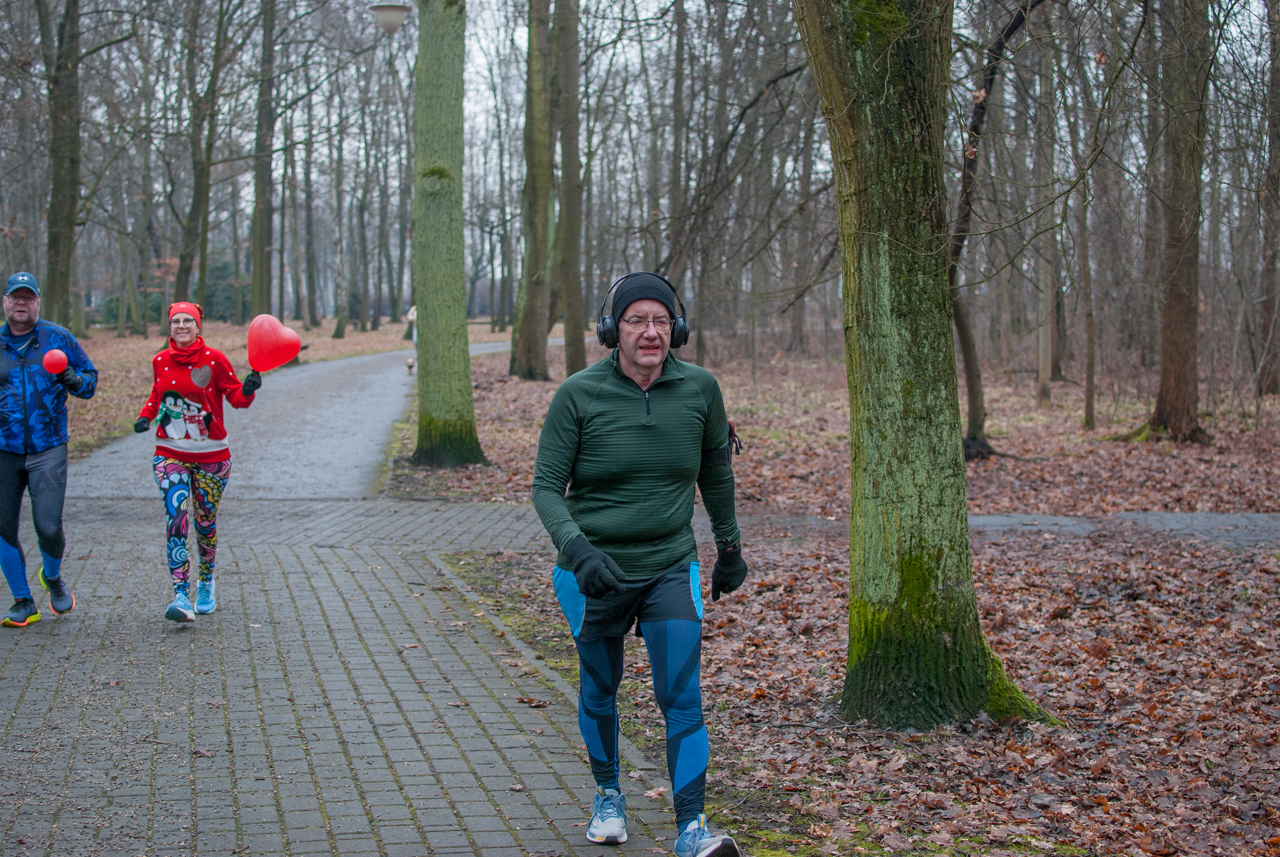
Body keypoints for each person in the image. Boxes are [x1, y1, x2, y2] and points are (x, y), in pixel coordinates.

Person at [532, 272, 748, 857]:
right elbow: (547, 487)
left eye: (660, 321)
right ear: (612, 330)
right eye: (635, 321)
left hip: (669, 568)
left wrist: (729, 547)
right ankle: (608, 796)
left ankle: (692, 829)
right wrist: (577, 549)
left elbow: (716, 474)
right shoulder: (578, 394)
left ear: (675, 328)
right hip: (591, 571)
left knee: (682, 695)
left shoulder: (701, 390)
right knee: (600, 688)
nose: (649, 332)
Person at [134, 302, 261, 622]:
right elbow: (157, 393)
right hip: (169, 453)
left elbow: (236, 398)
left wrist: (248, 389)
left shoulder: (215, 359)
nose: (181, 326)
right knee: (176, 520)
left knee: (205, 523)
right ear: (169, 327)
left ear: (198, 325)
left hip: (212, 457)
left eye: (187, 320)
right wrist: (145, 416)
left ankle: (205, 582)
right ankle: (180, 594)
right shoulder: (160, 360)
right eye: (175, 321)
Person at [0, 272, 97, 627]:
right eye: (15, 297)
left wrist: (75, 380)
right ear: (6, 302)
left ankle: (53, 578)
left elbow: (90, 382)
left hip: (48, 449)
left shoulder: (58, 338)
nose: (21, 303)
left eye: (28, 297)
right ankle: (23, 601)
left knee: (49, 528)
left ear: (38, 301)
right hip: (4, 449)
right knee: (2, 528)